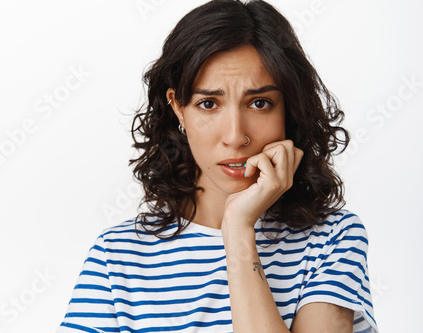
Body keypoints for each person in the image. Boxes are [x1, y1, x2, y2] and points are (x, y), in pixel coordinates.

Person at [57, 0, 378, 332]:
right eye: (208, 104)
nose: (236, 136)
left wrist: (238, 228)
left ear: (289, 109)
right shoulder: (117, 256)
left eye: (260, 103)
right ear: (178, 109)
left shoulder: (331, 239)